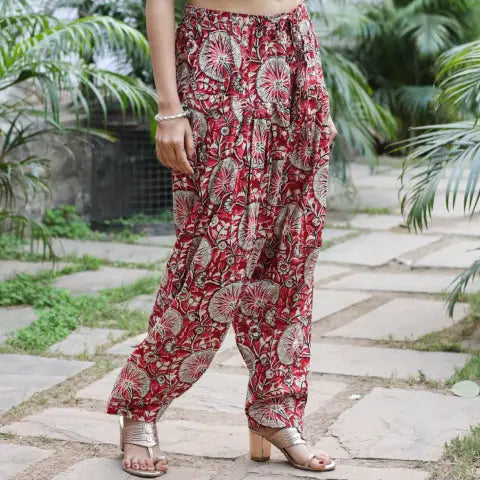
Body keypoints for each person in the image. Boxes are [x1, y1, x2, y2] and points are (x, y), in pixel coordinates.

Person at [106, 0, 338, 476]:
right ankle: (143, 401)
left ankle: (277, 409)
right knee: (216, 253)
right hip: (219, 53)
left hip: (295, 49)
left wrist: (317, 91)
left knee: (292, 248)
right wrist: (168, 109)